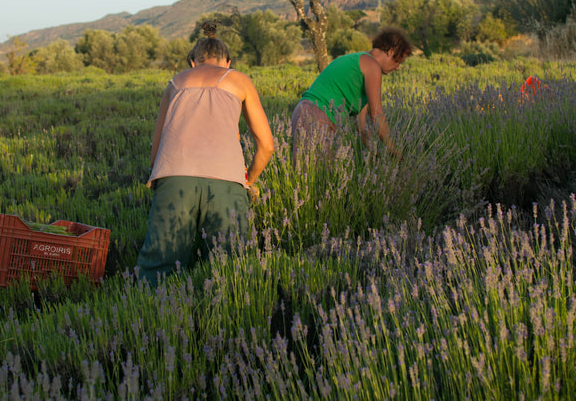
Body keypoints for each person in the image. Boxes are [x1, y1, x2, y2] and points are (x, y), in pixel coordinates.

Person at [136, 24, 274, 286]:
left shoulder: (176, 82)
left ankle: (153, 319)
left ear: (192, 61)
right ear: (229, 62)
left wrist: (157, 179)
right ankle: (224, 321)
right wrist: (249, 180)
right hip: (226, 180)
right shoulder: (239, 80)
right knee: (233, 267)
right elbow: (266, 145)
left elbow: (158, 142)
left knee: (159, 266)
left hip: (174, 176)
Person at [291, 26, 413, 162]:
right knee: (318, 176)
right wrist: (395, 152)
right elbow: (377, 115)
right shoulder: (372, 66)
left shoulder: (360, 62)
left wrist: (376, 155)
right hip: (317, 117)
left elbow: (361, 127)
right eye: (398, 62)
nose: (397, 68)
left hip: (305, 112)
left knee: (316, 175)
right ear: (390, 51)